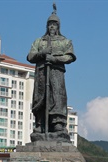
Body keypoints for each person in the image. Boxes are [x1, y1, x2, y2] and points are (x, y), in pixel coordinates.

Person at [27, 4, 76, 142]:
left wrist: (55, 59)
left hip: (56, 74)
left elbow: (70, 57)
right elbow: (30, 56)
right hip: (42, 74)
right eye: (50, 24)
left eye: (54, 24)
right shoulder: (39, 41)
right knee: (41, 97)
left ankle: (57, 124)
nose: (52, 27)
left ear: (58, 26)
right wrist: (42, 53)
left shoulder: (64, 41)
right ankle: (40, 124)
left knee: (57, 97)